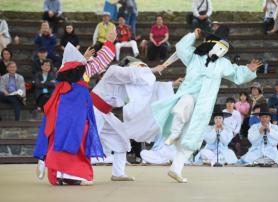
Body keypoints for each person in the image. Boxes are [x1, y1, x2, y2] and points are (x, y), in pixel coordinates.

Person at [151, 28, 261, 183]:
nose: (222, 51)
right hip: (189, 93)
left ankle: (176, 169)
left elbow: (236, 74)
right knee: (183, 104)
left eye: (225, 49)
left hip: (203, 105)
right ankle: (173, 133)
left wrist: (248, 70)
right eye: (220, 47)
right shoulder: (194, 57)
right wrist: (193, 35)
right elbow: (181, 48)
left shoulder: (223, 63)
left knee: (191, 138)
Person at [33, 31, 117, 186]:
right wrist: (83, 60)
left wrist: (109, 43)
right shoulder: (66, 71)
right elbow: (70, 71)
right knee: (62, 136)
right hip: (66, 111)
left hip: (79, 110)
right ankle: (59, 170)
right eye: (78, 58)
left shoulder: (84, 70)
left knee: (82, 134)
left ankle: (72, 173)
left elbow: (100, 62)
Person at [91, 56, 177, 181]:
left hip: (105, 114)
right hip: (91, 110)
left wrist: (172, 85)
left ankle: (118, 173)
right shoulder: (113, 71)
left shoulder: (129, 83)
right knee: (88, 140)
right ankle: (76, 172)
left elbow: (151, 88)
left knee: (122, 139)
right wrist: (152, 69)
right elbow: (132, 74)